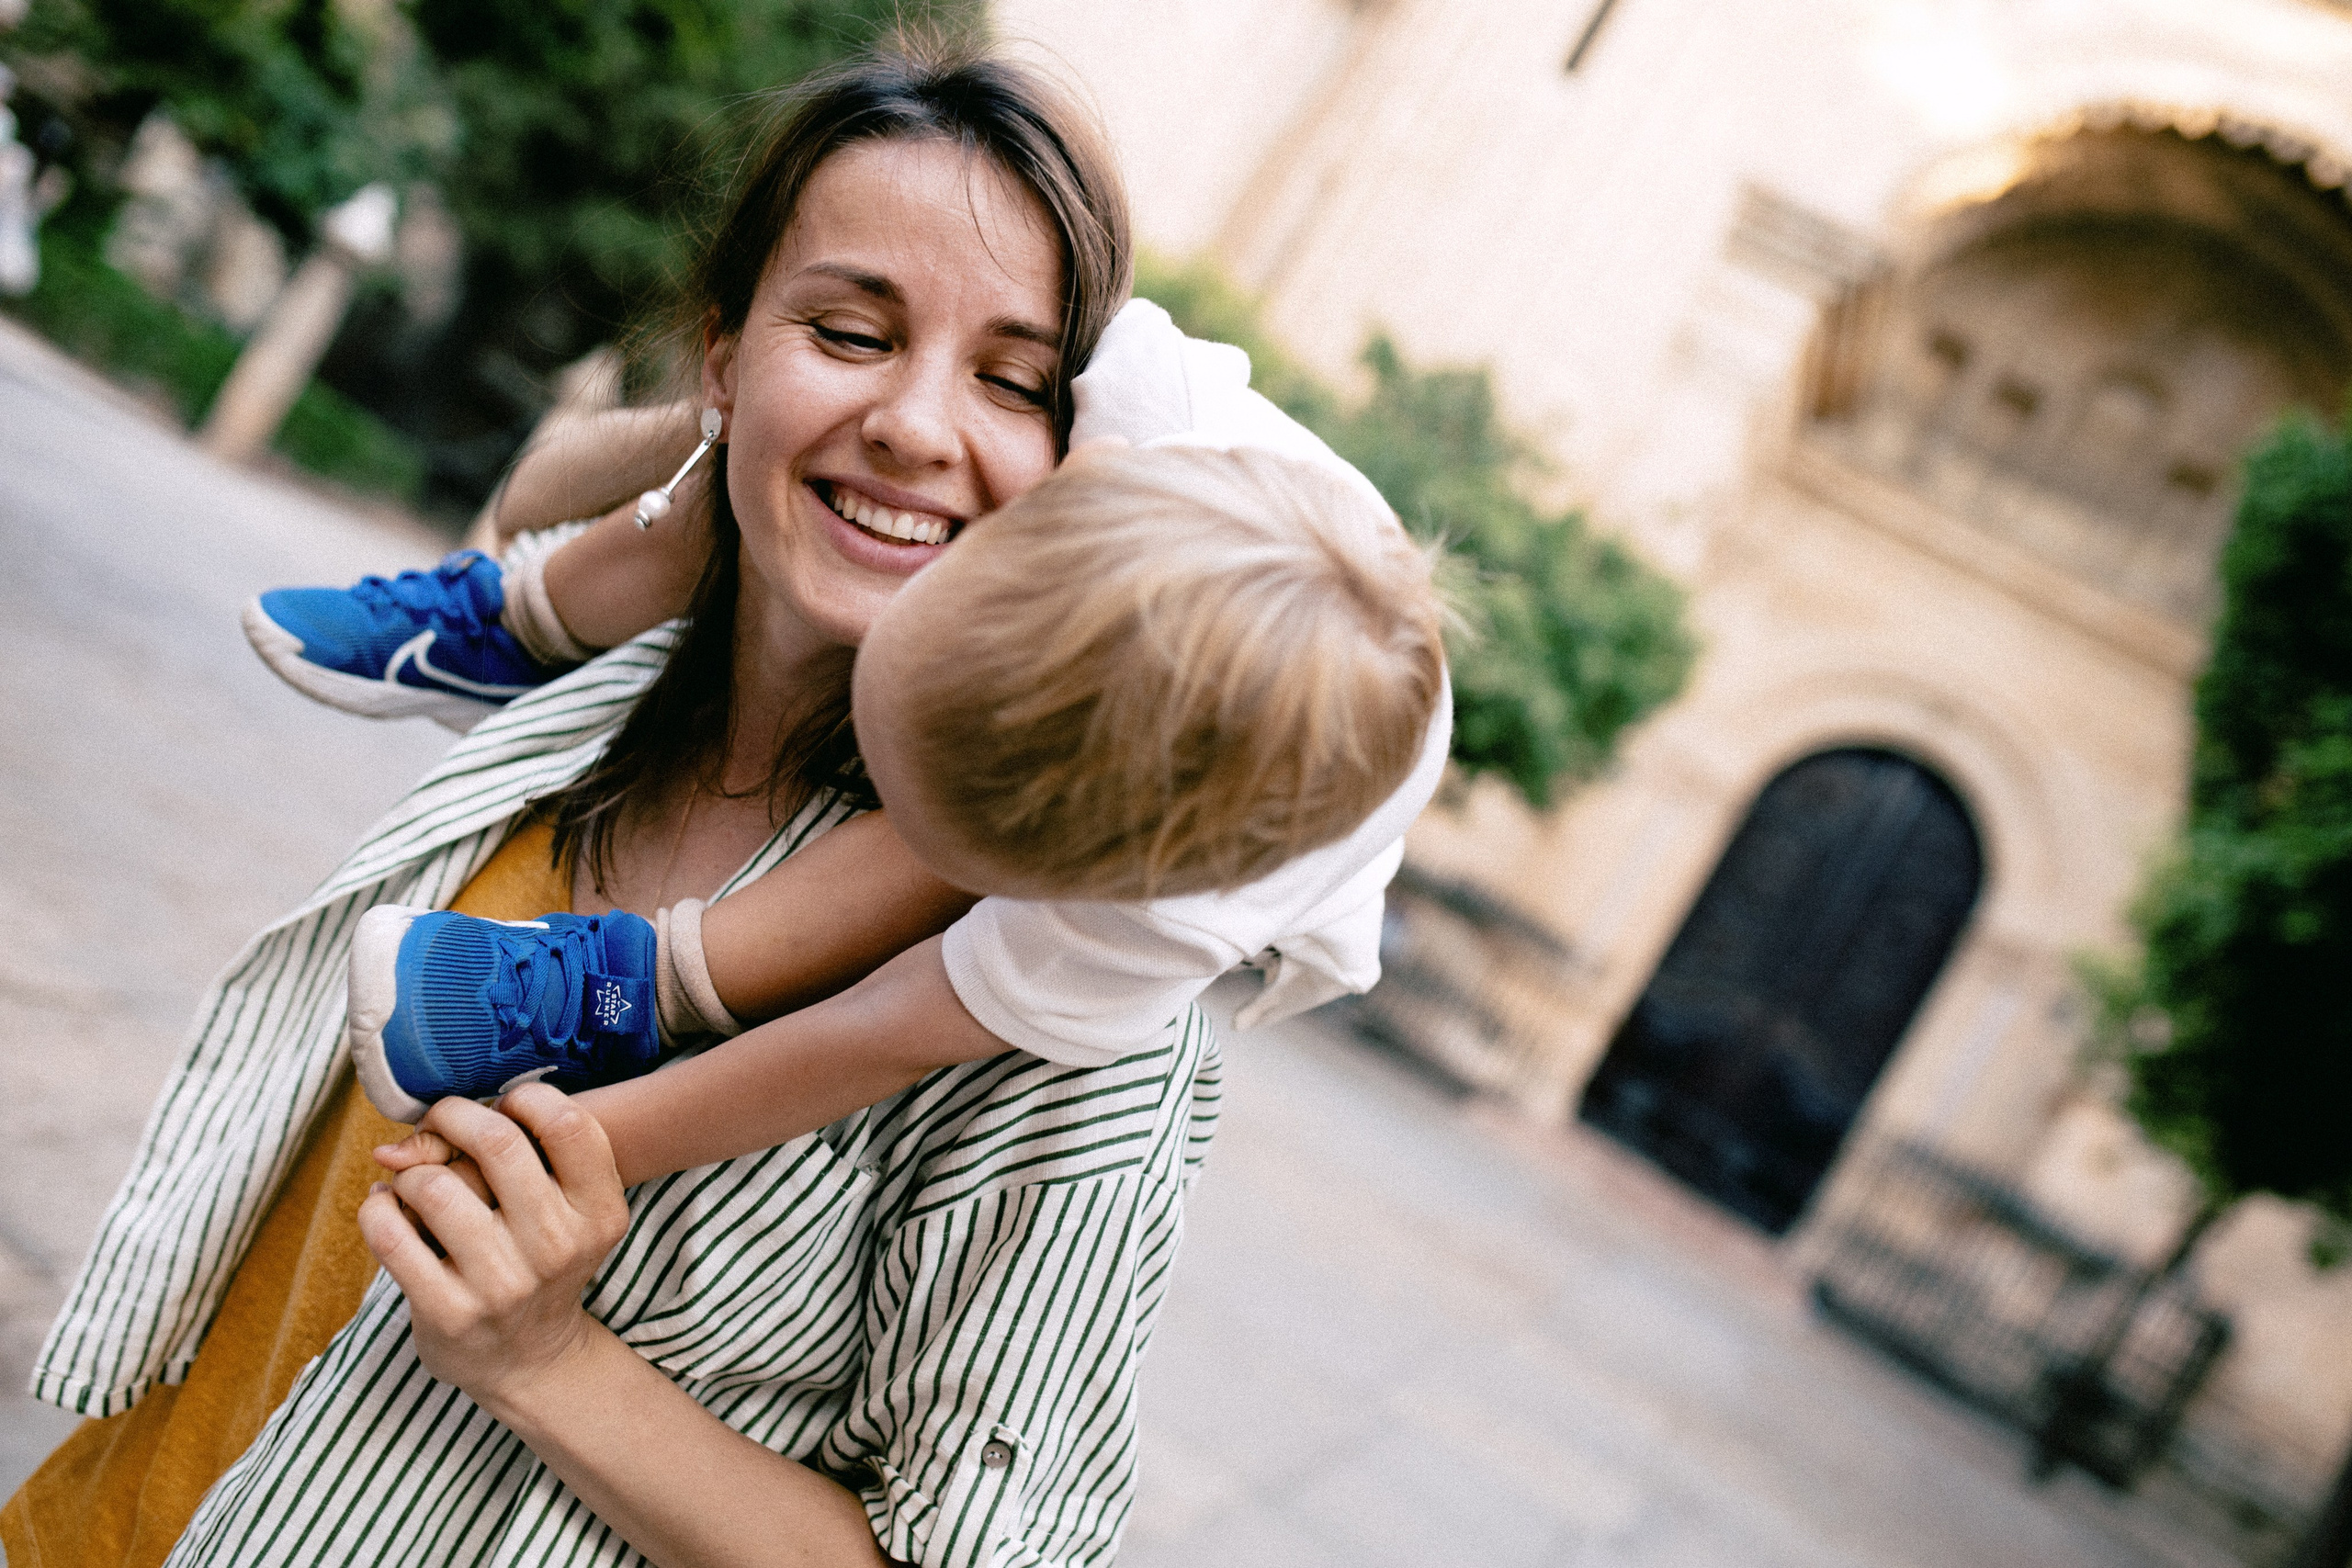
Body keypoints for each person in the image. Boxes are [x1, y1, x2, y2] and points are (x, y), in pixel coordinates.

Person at [6, 39, 1229, 1568]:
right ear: (722, 354)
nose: (921, 424)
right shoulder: (609, 690)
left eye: (1011, 379)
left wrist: (547, 1360)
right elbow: (548, 496)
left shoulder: (1059, 985)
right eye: (850, 331)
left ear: (1086, 460)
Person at [342, 437, 1447, 1206]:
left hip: (1239, 854)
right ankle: (512, 611)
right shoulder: (1139, 414)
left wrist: (576, 1147)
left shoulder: (1146, 929)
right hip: (1183, 588)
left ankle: (617, 986)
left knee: (938, 993)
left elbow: (868, 1037)